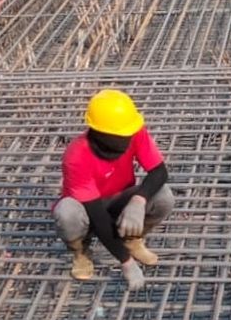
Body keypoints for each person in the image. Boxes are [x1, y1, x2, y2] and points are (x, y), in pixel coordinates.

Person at [51, 89, 175, 289]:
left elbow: (159, 172)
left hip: (119, 199)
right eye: (121, 136)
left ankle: (132, 238)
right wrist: (127, 263)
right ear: (101, 133)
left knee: (163, 196)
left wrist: (139, 200)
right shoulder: (77, 156)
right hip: (88, 208)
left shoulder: (133, 130)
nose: (128, 139)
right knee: (66, 213)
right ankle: (80, 251)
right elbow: (99, 218)